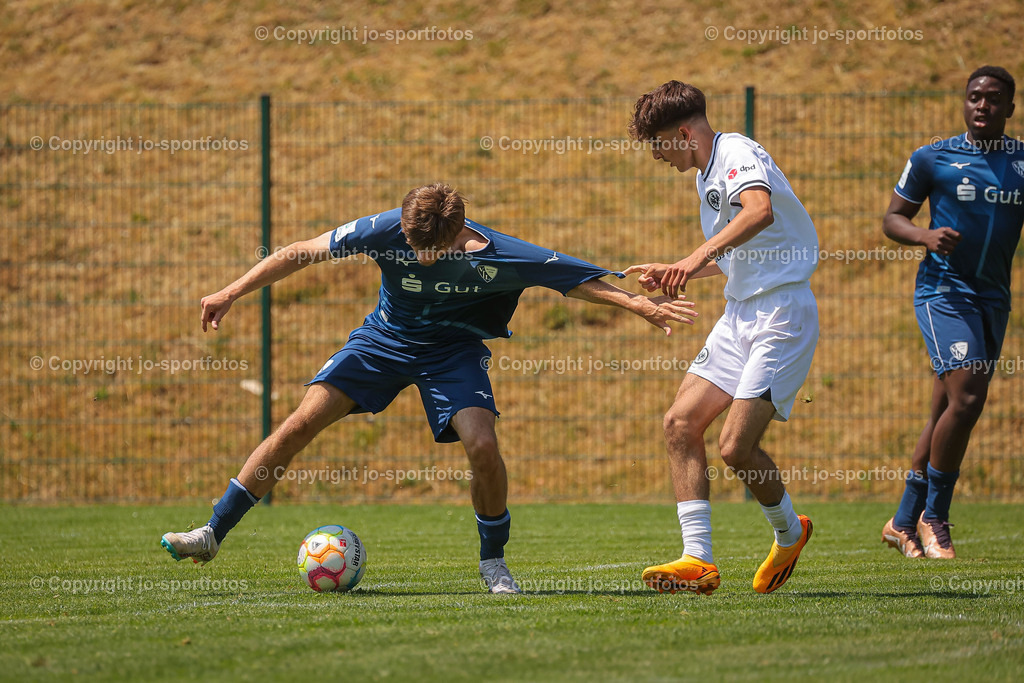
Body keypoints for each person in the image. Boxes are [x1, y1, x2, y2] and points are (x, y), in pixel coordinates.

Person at [161, 183, 696, 593]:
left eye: (429, 249)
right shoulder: (383, 229)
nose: (416, 256)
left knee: (483, 446)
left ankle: (493, 563)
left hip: (451, 352)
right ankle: (210, 534)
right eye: (411, 246)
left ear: (457, 235)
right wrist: (230, 291)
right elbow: (301, 251)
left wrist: (639, 304)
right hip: (382, 342)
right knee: (299, 423)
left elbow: (572, 280)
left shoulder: (496, 253)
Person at [624, 81, 818, 595]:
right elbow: (738, 253)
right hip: (740, 313)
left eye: (660, 144)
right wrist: (678, 270)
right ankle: (698, 561)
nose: (658, 156)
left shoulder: (736, 151)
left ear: (684, 133)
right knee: (680, 423)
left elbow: (760, 211)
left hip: (782, 314)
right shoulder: (707, 174)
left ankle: (788, 531)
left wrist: (694, 258)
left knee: (735, 447)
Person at [881, 66, 1023, 560]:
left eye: (993, 99)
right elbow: (893, 219)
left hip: (993, 299)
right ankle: (934, 517)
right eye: (974, 97)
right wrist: (924, 236)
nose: (982, 105)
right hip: (943, 293)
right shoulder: (932, 157)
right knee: (967, 399)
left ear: (1009, 107)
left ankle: (901, 521)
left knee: (947, 408)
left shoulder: (1021, 162)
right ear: (964, 103)